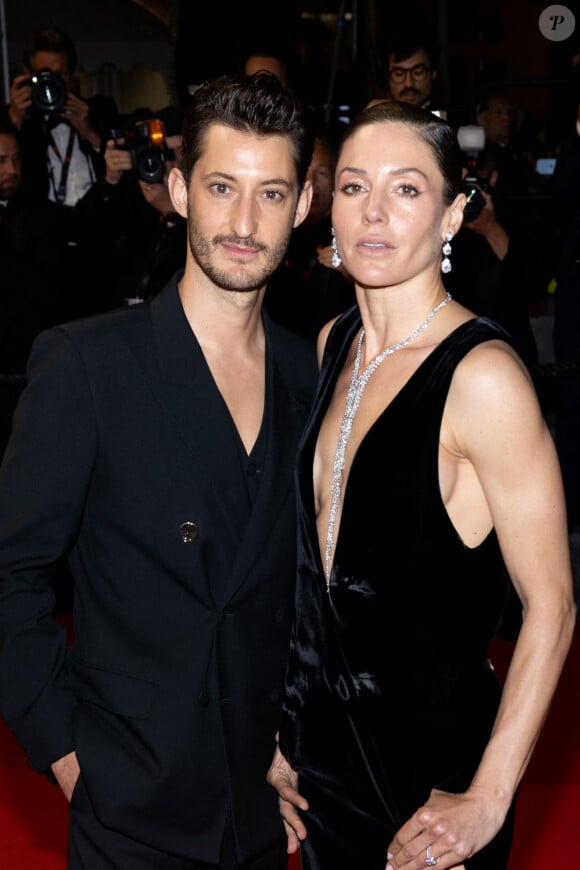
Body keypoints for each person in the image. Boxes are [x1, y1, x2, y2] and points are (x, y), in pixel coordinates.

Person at [0, 72, 317, 869]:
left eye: (271, 194)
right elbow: (9, 573)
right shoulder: (89, 366)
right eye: (221, 187)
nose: (244, 223)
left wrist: (290, 740)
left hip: (257, 816)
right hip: (127, 815)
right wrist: (70, 757)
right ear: (177, 190)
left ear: (304, 208)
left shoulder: (311, 378)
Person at [267, 100, 575, 869]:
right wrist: (278, 732)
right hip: (320, 771)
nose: (374, 211)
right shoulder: (333, 343)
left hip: (430, 788)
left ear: (452, 214)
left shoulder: (484, 377)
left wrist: (488, 794)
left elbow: (553, 604)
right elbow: (315, 578)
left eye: (406, 189)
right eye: (353, 186)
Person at [0, 120, 73, 454]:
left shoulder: (39, 215)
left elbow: (48, 291)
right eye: (1, 160)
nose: (11, 169)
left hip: (29, 377)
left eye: (15, 159)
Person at [73, 107, 187, 309]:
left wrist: (172, 213)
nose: (171, 164)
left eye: (178, 154)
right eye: (163, 153)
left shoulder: (205, 197)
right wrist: (110, 179)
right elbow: (82, 232)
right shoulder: (136, 192)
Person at [1, 25, 117, 207]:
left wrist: (91, 134)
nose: (52, 84)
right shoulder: (17, 119)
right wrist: (15, 119)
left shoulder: (98, 110)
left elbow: (123, 176)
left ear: (71, 76)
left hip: (97, 224)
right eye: (45, 74)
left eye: (60, 74)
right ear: (28, 75)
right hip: (41, 230)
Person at [265, 128, 355, 340]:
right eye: (304, 172)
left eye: (322, 173)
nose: (311, 183)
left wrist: (352, 272)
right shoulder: (276, 230)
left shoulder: (349, 236)